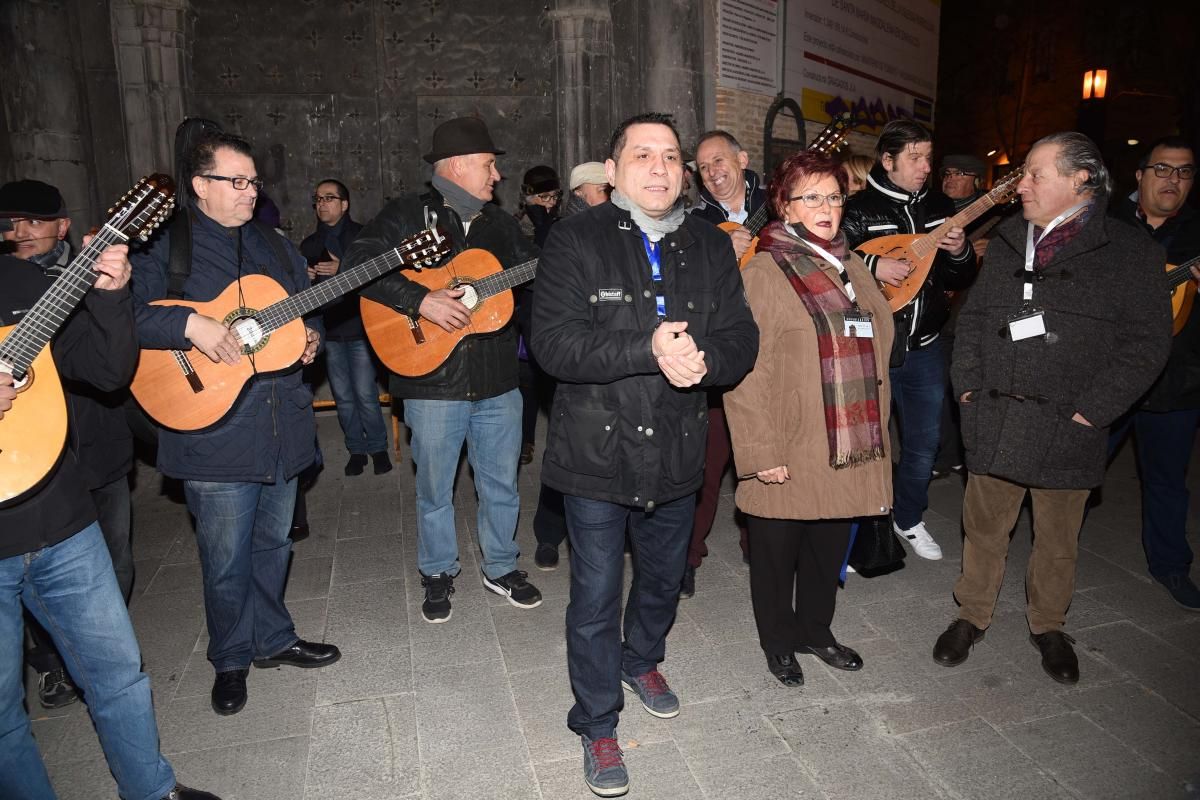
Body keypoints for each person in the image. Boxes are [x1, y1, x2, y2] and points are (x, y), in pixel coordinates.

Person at [531, 112, 758, 797]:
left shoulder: (711, 245)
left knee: (664, 579)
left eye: (670, 157)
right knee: (596, 596)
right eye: (643, 155)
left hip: (678, 448)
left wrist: (705, 360)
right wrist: (648, 348)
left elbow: (741, 339)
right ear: (613, 168)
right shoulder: (576, 239)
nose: (659, 168)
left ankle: (642, 658)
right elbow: (553, 345)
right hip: (595, 452)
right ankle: (597, 721)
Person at [936, 131, 1171, 684]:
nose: (1022, 186)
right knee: (984, 525)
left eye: (1035, 174)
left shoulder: (1132, 252)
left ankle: (1048, 624)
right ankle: (971, 615)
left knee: (1059, 536)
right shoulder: (1012, 237)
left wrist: (1094, 411)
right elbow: (970, 321)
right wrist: (967, 387)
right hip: (994, 414)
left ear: (1080, 178)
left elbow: (1147, 345)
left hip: (1070, 424)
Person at [132, 132, 340, 717]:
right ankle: (229, 657)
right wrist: (190, 327)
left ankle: (273, 639)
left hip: (280, 424)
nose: (251, 192)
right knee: (225, 557)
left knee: (274, 542)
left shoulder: (274, 245)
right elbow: (123, 319)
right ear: (200, 186)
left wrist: (310, 340)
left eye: (254, 182)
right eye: (237, 182)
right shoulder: (164, 249)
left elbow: (305, 309)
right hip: (212, 431)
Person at [1, 241, 218, 799]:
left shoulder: (23, 283)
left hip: (62, 517)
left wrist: (112, 297)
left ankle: (151, 790)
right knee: (3, 713)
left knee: (119, 671)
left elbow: (105, 371)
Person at [343, 116, 542, 623]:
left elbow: (537, 279)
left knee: (501, 483)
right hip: (431, 380)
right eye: (488, 165)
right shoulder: (407, 214)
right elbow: (356, 265)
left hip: (498, 379)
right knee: (435, 487)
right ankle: (437, 570)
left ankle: (501, 567)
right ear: (456, 166)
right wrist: (419, 300)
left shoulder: (502, 226)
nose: (496, 175)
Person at [725, 150, 893, 687]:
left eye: (834, 196)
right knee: (776, 556)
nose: (825, 207)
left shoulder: (854, 266)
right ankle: (778, 643)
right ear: (785, 205)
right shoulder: (765, 271)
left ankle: (816, 631)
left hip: (847, 438)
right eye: (811, 197)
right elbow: (747, 371)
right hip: (790, 440)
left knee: (826, 549)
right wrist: (761, 452)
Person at [0, 179, 136, 710]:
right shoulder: (9, 282)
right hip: (26, 464)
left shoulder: (75, 277)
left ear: (62, 226)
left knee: (116, 560)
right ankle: (53, 664)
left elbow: (110, 366)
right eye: (12, 222)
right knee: (34, 582)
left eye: (35, 221)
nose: (22, 232)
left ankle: (102, 653)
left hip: (97, 448)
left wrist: (112, 293)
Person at [841, 119, 977, 561]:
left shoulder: (941, 206)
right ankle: (862, 531)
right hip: (874, 346)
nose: (925, 166)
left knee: (924, 441)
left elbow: (959, 276)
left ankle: (909, 517)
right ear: (888, 160)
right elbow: (832, 267)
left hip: (927, 344)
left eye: (927, 157)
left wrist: (959, 252)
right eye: (915, 157)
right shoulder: (858, 209)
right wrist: (870, 267)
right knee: (866, 442)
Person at [1109, 135, 1200, 610]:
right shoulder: (1105, 224)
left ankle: (1170, 566)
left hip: (1176, 380)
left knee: (1166, 479)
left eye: (1184, 172)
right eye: (1163, 169)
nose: (1173, 180)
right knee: (1077, 469)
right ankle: (1051, 552)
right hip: (1105, 376)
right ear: (1140, 176)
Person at [682, 130, 768, 596]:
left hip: (771, 353)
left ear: (742, 158)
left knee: (763, 459)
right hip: (720, 351)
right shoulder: (695, 223)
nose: (713, 172)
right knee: (706, 464)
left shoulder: (779, 204)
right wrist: (720, 256)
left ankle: (762, 547)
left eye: (720, 161)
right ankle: (689, 554)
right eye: (703, 166)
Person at [530, 161, 614, 571]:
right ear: (583, 191)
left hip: (610, 354)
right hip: (568, 354)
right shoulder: (561, 230)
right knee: (564, 451)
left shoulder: (623, 225)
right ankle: (549, 534)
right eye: (599, 189)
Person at [299, 178, 392, 477]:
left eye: (329, 198)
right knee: (343, 396)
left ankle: (378, 448)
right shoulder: (310, 244)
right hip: (329, 331)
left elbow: (382, 278)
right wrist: (307, 276)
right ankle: (356, 449)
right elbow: (302, 293)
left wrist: (344, 270)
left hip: (360, 327)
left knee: (365, 392)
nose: (322, 204)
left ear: (344, 204)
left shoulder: (363, 236)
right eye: (318, 199)